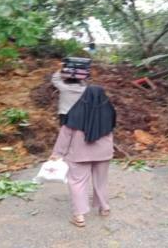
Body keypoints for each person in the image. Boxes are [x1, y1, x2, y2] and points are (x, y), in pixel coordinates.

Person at [50, 85, 116, 228]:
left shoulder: (75, 112)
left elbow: (65, 135)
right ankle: (104, 208)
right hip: (103, 154)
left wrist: (57, 154)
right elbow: (110, 132)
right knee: (101, 181)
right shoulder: (109, 111)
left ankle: (79, 216)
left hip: (79, 154)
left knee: (77, 182)